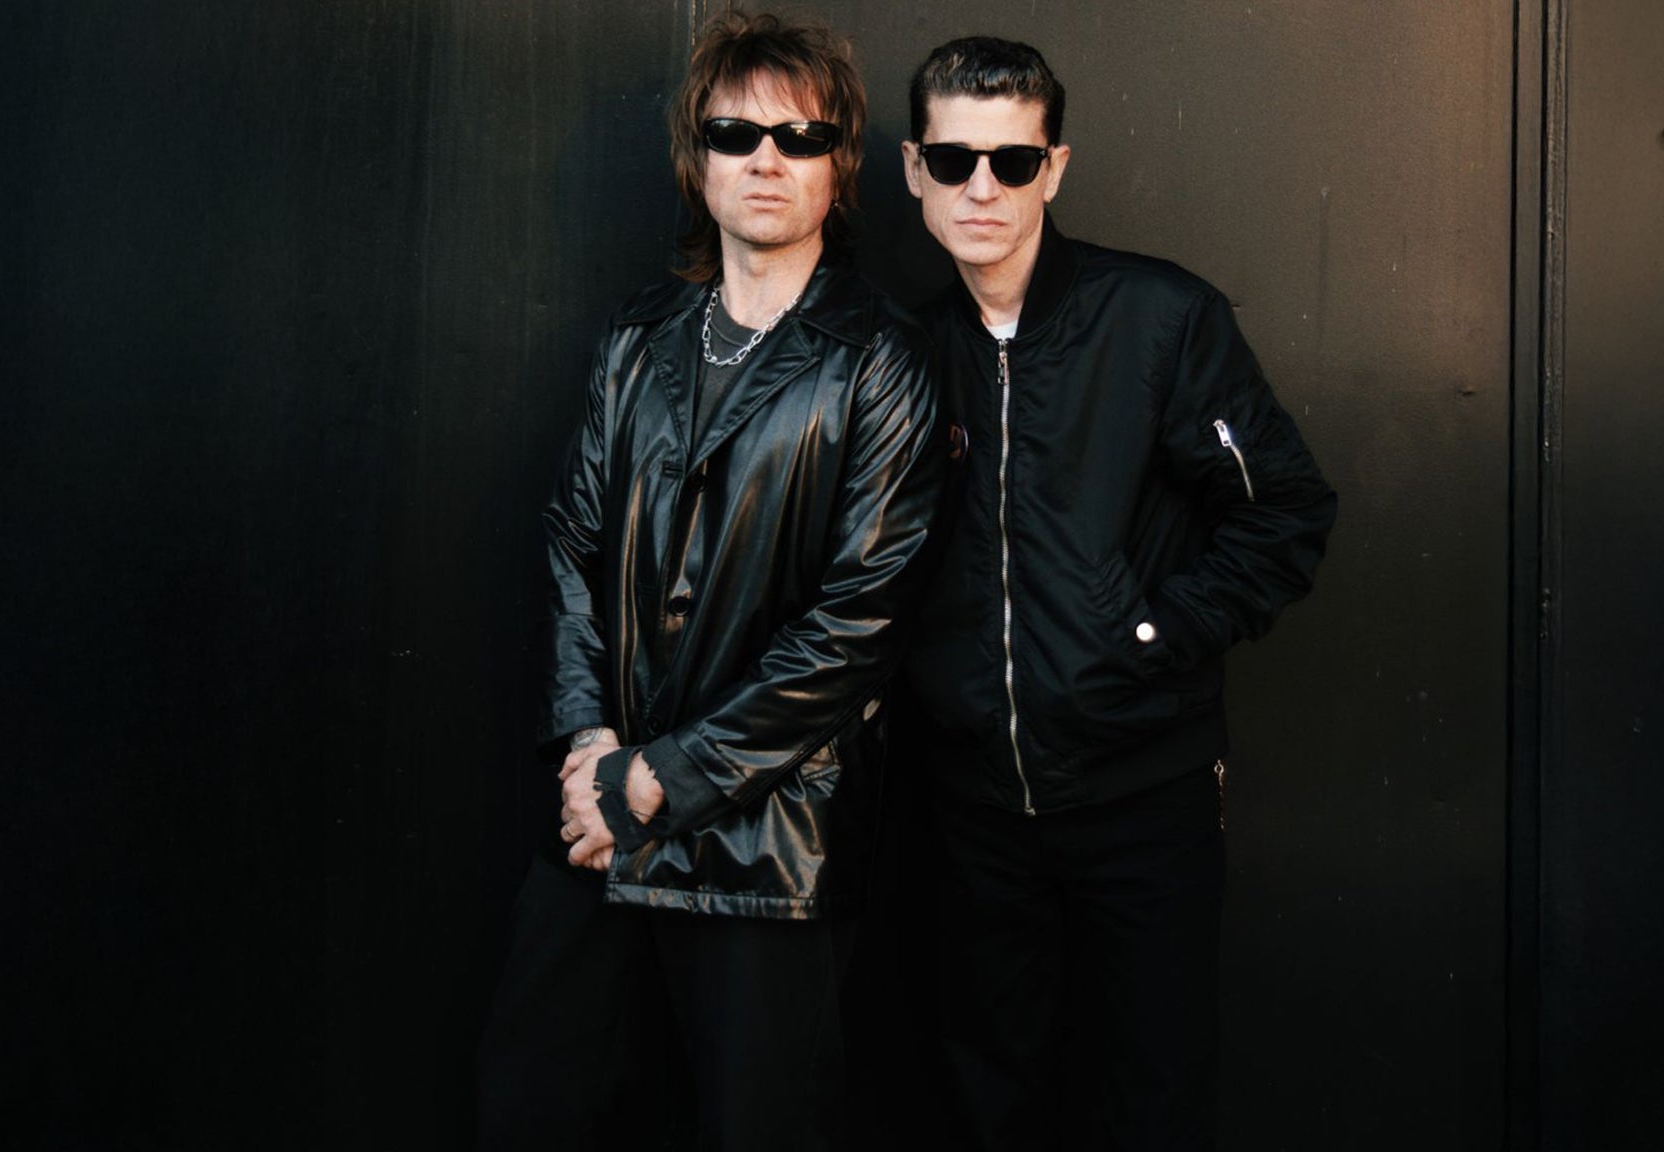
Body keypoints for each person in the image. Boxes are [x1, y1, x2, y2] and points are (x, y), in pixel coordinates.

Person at [476, 13, 945, 1150]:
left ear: (839, 165)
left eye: (800, 136)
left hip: (767, 849)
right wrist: (591, 744)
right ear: (698, 159)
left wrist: (661, 778)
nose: (766, 160)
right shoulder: (639, 339)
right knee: (534, 1111)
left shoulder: (881, 361)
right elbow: (573, 544)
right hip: (600, 828)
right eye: (737, 134)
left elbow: (857, 624)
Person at [896, 36, 1337, 1150]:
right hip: (969, 812)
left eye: (1011, 161)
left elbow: (1284, 511)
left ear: (1053, 168)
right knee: (982, 1101)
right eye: (952, 162)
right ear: (912, 170)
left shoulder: (1158, 318)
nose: (981, 188)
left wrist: (1149, 633)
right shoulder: (904, 351)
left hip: (1141, 796)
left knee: (1149, 1098)